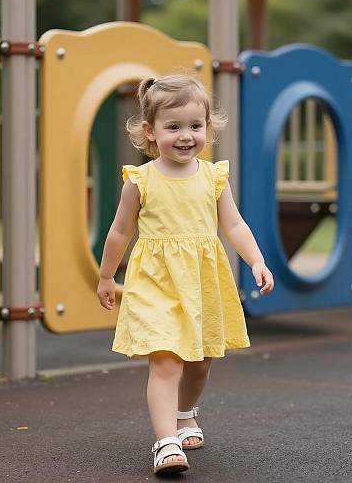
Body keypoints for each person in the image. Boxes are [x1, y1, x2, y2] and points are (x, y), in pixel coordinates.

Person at [97, 74, 274, 475]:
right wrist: (107, 275)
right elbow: (120, 231)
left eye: (195, 126)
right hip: (157, 283)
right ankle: (165, 443)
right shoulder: (140, 181)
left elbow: (234, 226)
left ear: (208, 128)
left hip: (201, 281)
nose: (185, 136)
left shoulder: (213, 177)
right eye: (173, 127)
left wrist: (256, 260)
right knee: (166, 362)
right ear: (150, 131)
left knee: (201, 361)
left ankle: (184, 412)